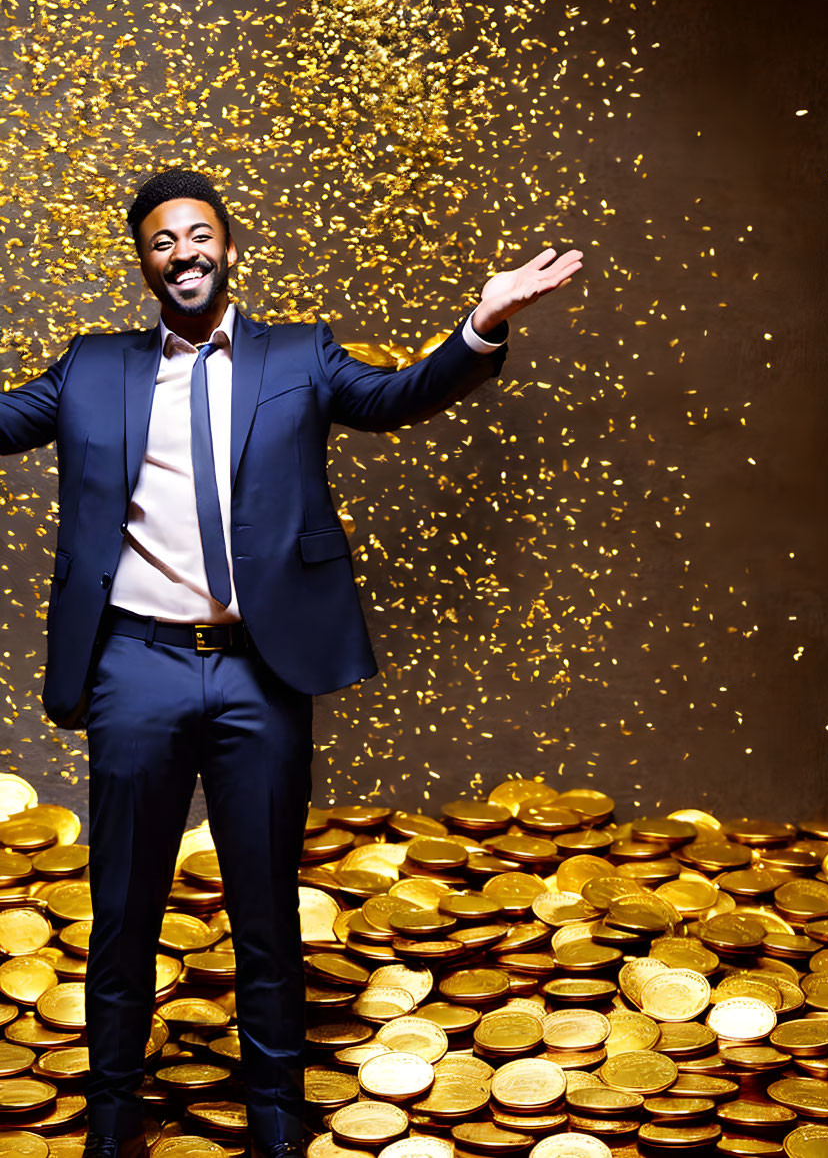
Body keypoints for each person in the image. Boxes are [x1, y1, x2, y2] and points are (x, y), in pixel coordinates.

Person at [0, 168, 582, 1158]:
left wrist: (481, 323)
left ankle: (276, 1123)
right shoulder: (90, 368)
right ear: (144, 264)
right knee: (123, 910)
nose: (180, 250)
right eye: (159, 241)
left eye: (197, 234)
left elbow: (397, 398)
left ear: (229, 247)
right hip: (133, 668)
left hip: (257, 673)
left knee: (265, 907)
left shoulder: (299, 355)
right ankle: (112, 1122)